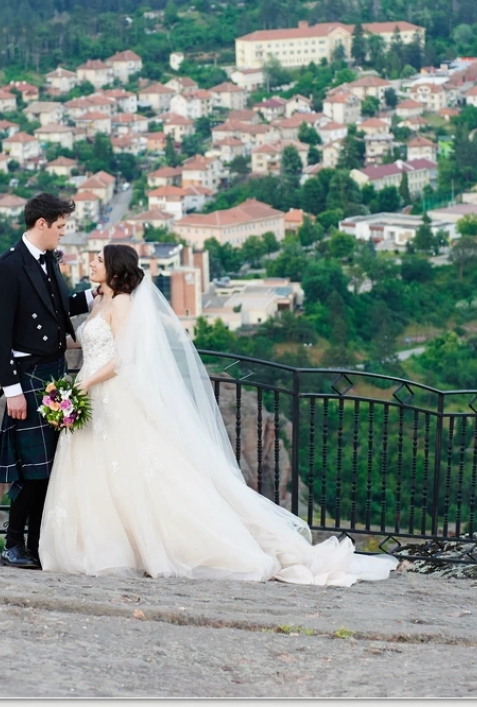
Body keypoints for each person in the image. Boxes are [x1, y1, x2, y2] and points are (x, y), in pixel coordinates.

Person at [39, 244, 397, 586]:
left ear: (114, 269)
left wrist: (83, 385)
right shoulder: (101, 300)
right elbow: (89, 342)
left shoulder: (122, 303)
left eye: (98, 260)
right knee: (98, 471)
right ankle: (102, 545)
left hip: (106, 393)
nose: (92, 264)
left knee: (136, 472)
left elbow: (121, 359)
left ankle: (151, 547)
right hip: (91, 395)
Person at [0, 193, 93, 569]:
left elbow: (61, 307)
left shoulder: (48, 262)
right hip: (27, 379)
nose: (64, 233)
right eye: (61, 226)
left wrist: (104, 292)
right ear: (41, 224)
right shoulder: (8, 267)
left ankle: (35, 544)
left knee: (48, 467)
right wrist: (12, 390)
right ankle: (12, 545)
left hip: (53, 374)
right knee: (31, 469)